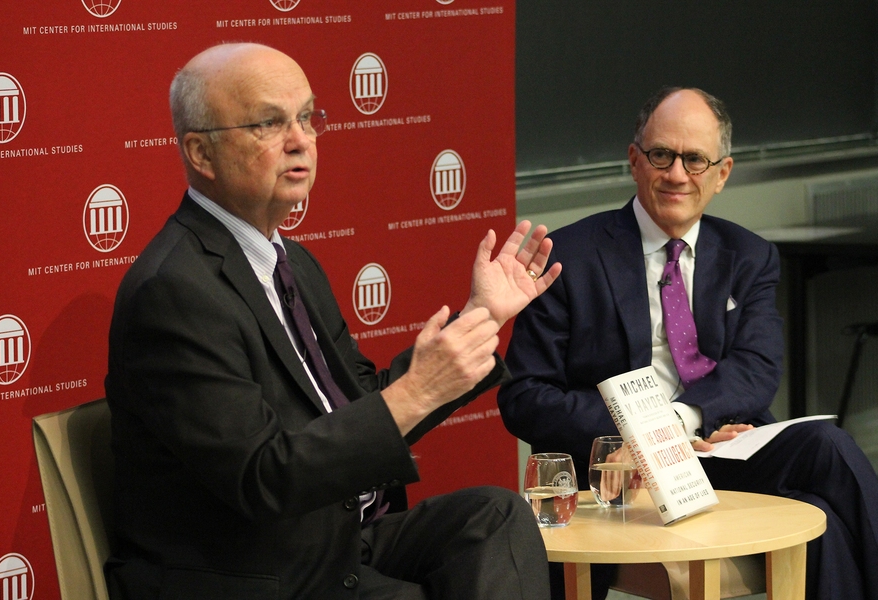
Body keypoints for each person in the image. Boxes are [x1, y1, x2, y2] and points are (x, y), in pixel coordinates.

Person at [104, 42, 562, 600]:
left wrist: (480, 317)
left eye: (307, 117)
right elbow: (263, 477)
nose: (301, 140)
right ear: (201, 153)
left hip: (336, 539)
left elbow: (360, 406)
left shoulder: (292, 262)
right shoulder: (176, 292)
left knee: (495, 515)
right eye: (270, 123)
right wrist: (416, 392)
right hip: (256, 572)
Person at [498, 87, 878, 600]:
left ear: (722, 174)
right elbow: (525, 397)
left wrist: (681, 421)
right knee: (825, 521)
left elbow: (758, 367)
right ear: (634, 161)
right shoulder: (569, 256)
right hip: (621, 471)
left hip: (719, 446)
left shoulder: (748, 254)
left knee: (827, 449)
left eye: (695, 160)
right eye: (661, 155)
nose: (677, 174)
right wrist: (646, 436)